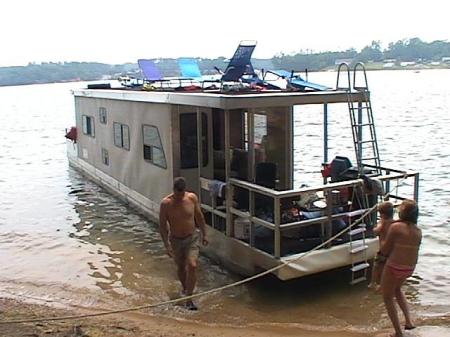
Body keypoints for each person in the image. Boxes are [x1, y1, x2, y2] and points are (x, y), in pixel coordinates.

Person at [159, 177, 208, 310]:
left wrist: (205, 233)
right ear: (174, 190)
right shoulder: (166, 204)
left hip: (191, 237)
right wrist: (167, 245)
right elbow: (163, 226)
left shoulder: (191, 198)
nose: (180, 197)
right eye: (177, 194)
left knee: (192, 265)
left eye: (182, 194)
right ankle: (186, 289)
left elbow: (199, 216)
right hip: (175, 239)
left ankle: (189, 299)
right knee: (181, 267)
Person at [379, 199, 422, 337]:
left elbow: (385, 250)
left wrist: (381, 235)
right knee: (397, 289)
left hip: (394, 265)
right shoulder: (418, 231)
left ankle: (398, 332)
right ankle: (409, 321)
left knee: (387, 297)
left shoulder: (396, 227)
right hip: (409, 268)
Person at [368, 201, 394, 289]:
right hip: (392, 249)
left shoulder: (382, 222)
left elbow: (376, 231)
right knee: (387, 267)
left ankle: (373, 283)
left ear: (382, 214)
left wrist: (374, 229)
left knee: (377, 266)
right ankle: (386, 283)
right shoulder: (394, 223)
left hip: (383, 250)